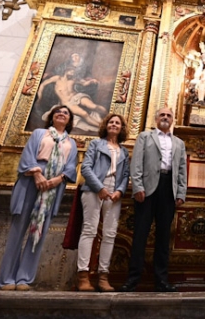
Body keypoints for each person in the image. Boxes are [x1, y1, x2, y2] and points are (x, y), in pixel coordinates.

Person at [0, 105, 78, 291]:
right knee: (18, 230)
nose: (61, 114)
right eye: (58, 111)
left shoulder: (71, 143)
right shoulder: (40, 133)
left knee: (39, 233)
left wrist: (57, 179)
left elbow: (71, 166)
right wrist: (37, 175)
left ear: (69, 120)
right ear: (51, 116)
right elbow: (28, 156)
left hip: (53, 187)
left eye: (66, 113)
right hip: (31, 182)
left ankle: (24, 278)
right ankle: (7, 278)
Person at [120, 107, 187, 292]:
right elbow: (137, 162)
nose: (165, 117)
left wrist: (181, 192)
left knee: (164, 237)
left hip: (168, 189)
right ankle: (133, 279)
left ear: (173, 120)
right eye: (162, 115)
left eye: (168, 115)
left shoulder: (179, 143)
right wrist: (138, 186)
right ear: (156, 119)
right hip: (147, 189)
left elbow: (182, 169)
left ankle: (161, 280)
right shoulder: (145, 137)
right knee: (140, 234)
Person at [76, 113, 130, 292]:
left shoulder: (124, 151)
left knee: (110, 233)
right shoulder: (96, 144)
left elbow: (124, 175)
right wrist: (99, 188)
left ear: (122, 128)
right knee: (89, 229)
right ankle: (83, 275)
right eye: (111, 122)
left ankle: (103, 276)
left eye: (118, 123)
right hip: (94, 189)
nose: (114, 125)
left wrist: (120, 191)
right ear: (106, 125)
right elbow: (85, 168)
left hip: (114, 191)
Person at [38, 66, 107, 130]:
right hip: (67, 102)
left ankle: (109, 116)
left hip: (77, 96)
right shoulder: (57, 78)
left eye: (73, 72)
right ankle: (103, 126)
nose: (72, 74)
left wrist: (92, 81)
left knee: (94, 106)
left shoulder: (73, 79)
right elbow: (43, 84)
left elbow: (84, 83)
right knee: (84, 114)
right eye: (71, 72)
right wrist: (39, 96)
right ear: (66, 71)